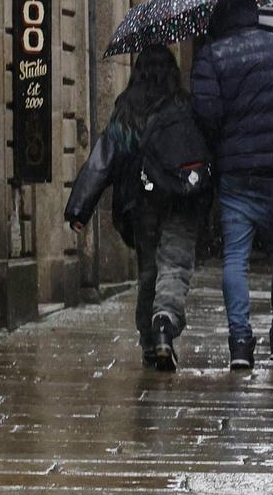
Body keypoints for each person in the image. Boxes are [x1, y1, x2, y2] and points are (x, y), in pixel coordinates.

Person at [64, 45, 203, 372]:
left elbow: (103, 160)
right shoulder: (183, 105)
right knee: (173, 265)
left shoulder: (128, 109)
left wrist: (79, 210)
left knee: (148, 271)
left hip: (141, 204)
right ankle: (164, 327)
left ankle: (149, 342)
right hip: (179, 198)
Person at [191, 0, 273, 370]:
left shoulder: (212, 55)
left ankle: (241, 343)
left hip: (237, 173)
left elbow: (206, 113)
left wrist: (224, 144)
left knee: (235, 258)